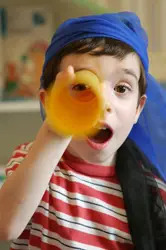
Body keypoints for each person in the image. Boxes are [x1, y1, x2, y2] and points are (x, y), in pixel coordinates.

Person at [0, 12, 166, 250]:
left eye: (121, 88)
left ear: (138, 108)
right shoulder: (33, 164)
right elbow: (5, 225)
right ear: (49, 101)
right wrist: (56, 129)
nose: (102, 102)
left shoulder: (154, 193)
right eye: (81, 86)